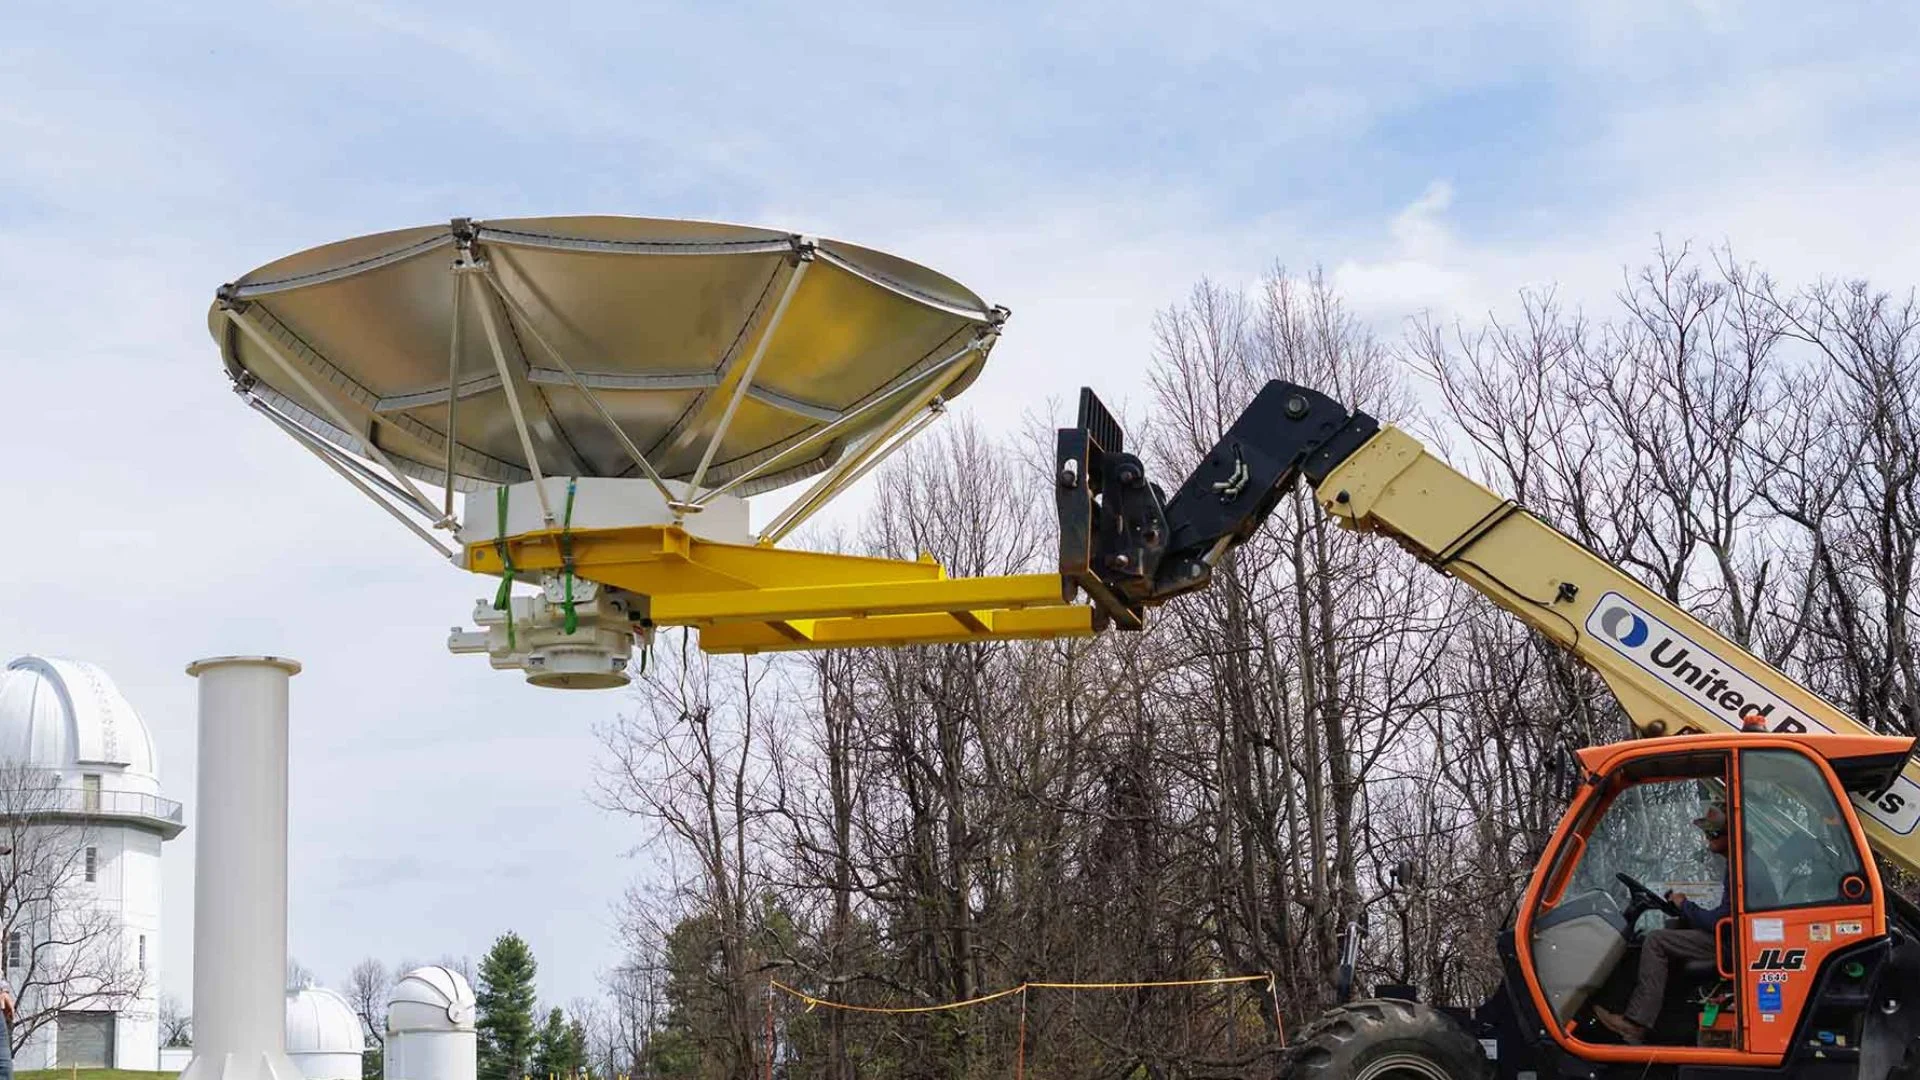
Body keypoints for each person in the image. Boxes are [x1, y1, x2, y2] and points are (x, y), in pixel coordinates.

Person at [1593, 802, 1729, 1044]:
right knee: (1671, 929)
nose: (1708, 838)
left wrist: (1685, 905)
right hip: (1732, 937)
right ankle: (1669, 1024)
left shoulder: (1743, 868)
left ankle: (1636, 1024)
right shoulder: (1741, 864)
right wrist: (1684, 911)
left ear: (1729, 833)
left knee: (1656, 941)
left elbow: (1719, 919)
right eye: (1707, 832)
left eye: (1713, 832)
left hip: (1732, 943)